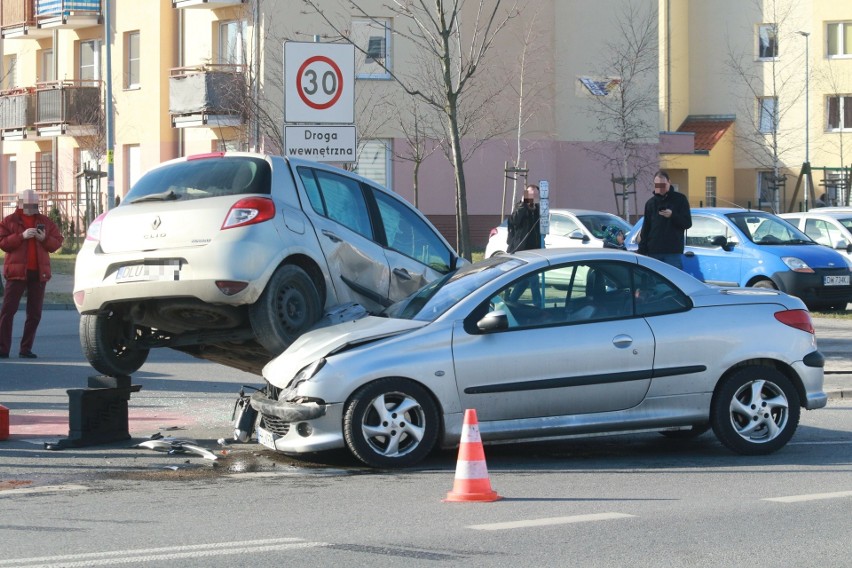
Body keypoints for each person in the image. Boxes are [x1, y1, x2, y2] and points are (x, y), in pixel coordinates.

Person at [0, 189, 64, 359]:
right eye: (27, 203)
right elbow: (3, 243)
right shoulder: (9, 221)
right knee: (7, 312)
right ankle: (2, 349)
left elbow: (57, 242)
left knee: (34, 314)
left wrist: (44, 239)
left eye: (34, 203)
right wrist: (21, 235)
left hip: (38, 273)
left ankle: (25, 349)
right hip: (16, 273)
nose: (31, 207)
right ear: (20, 203)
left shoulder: (45, 221)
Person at [638, 170, 692, 270]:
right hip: (653, 251)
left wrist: (673, 215)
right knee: (654, 283)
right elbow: (646, 228)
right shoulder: (650, 203)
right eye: (658, 185)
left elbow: (687, 223)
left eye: (663, 184)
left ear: (669, 182)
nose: (661, 188)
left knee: (674, 281)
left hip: (672, 252)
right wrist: (642, 250)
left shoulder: (680, 199)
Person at [507, 184, 541, 253]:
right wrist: (523, 204)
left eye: (535, 195)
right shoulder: (519, 207)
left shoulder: (538, 208)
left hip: (536, 247)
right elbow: (514, 221)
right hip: (521, 246)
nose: (533, 197)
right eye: (531, 195)